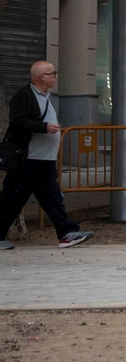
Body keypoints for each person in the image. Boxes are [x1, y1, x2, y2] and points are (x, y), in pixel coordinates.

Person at [0, 61, 94, 249]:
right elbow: (17, 122)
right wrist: (44, 127)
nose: (55, 76)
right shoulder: (24, 95)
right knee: (12, 199)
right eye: (52, 73)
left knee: (50, 199)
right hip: (28, 159)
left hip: (44, 160)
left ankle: (67, 233)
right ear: (41, 77)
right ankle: (66, 232)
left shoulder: (45, 96)